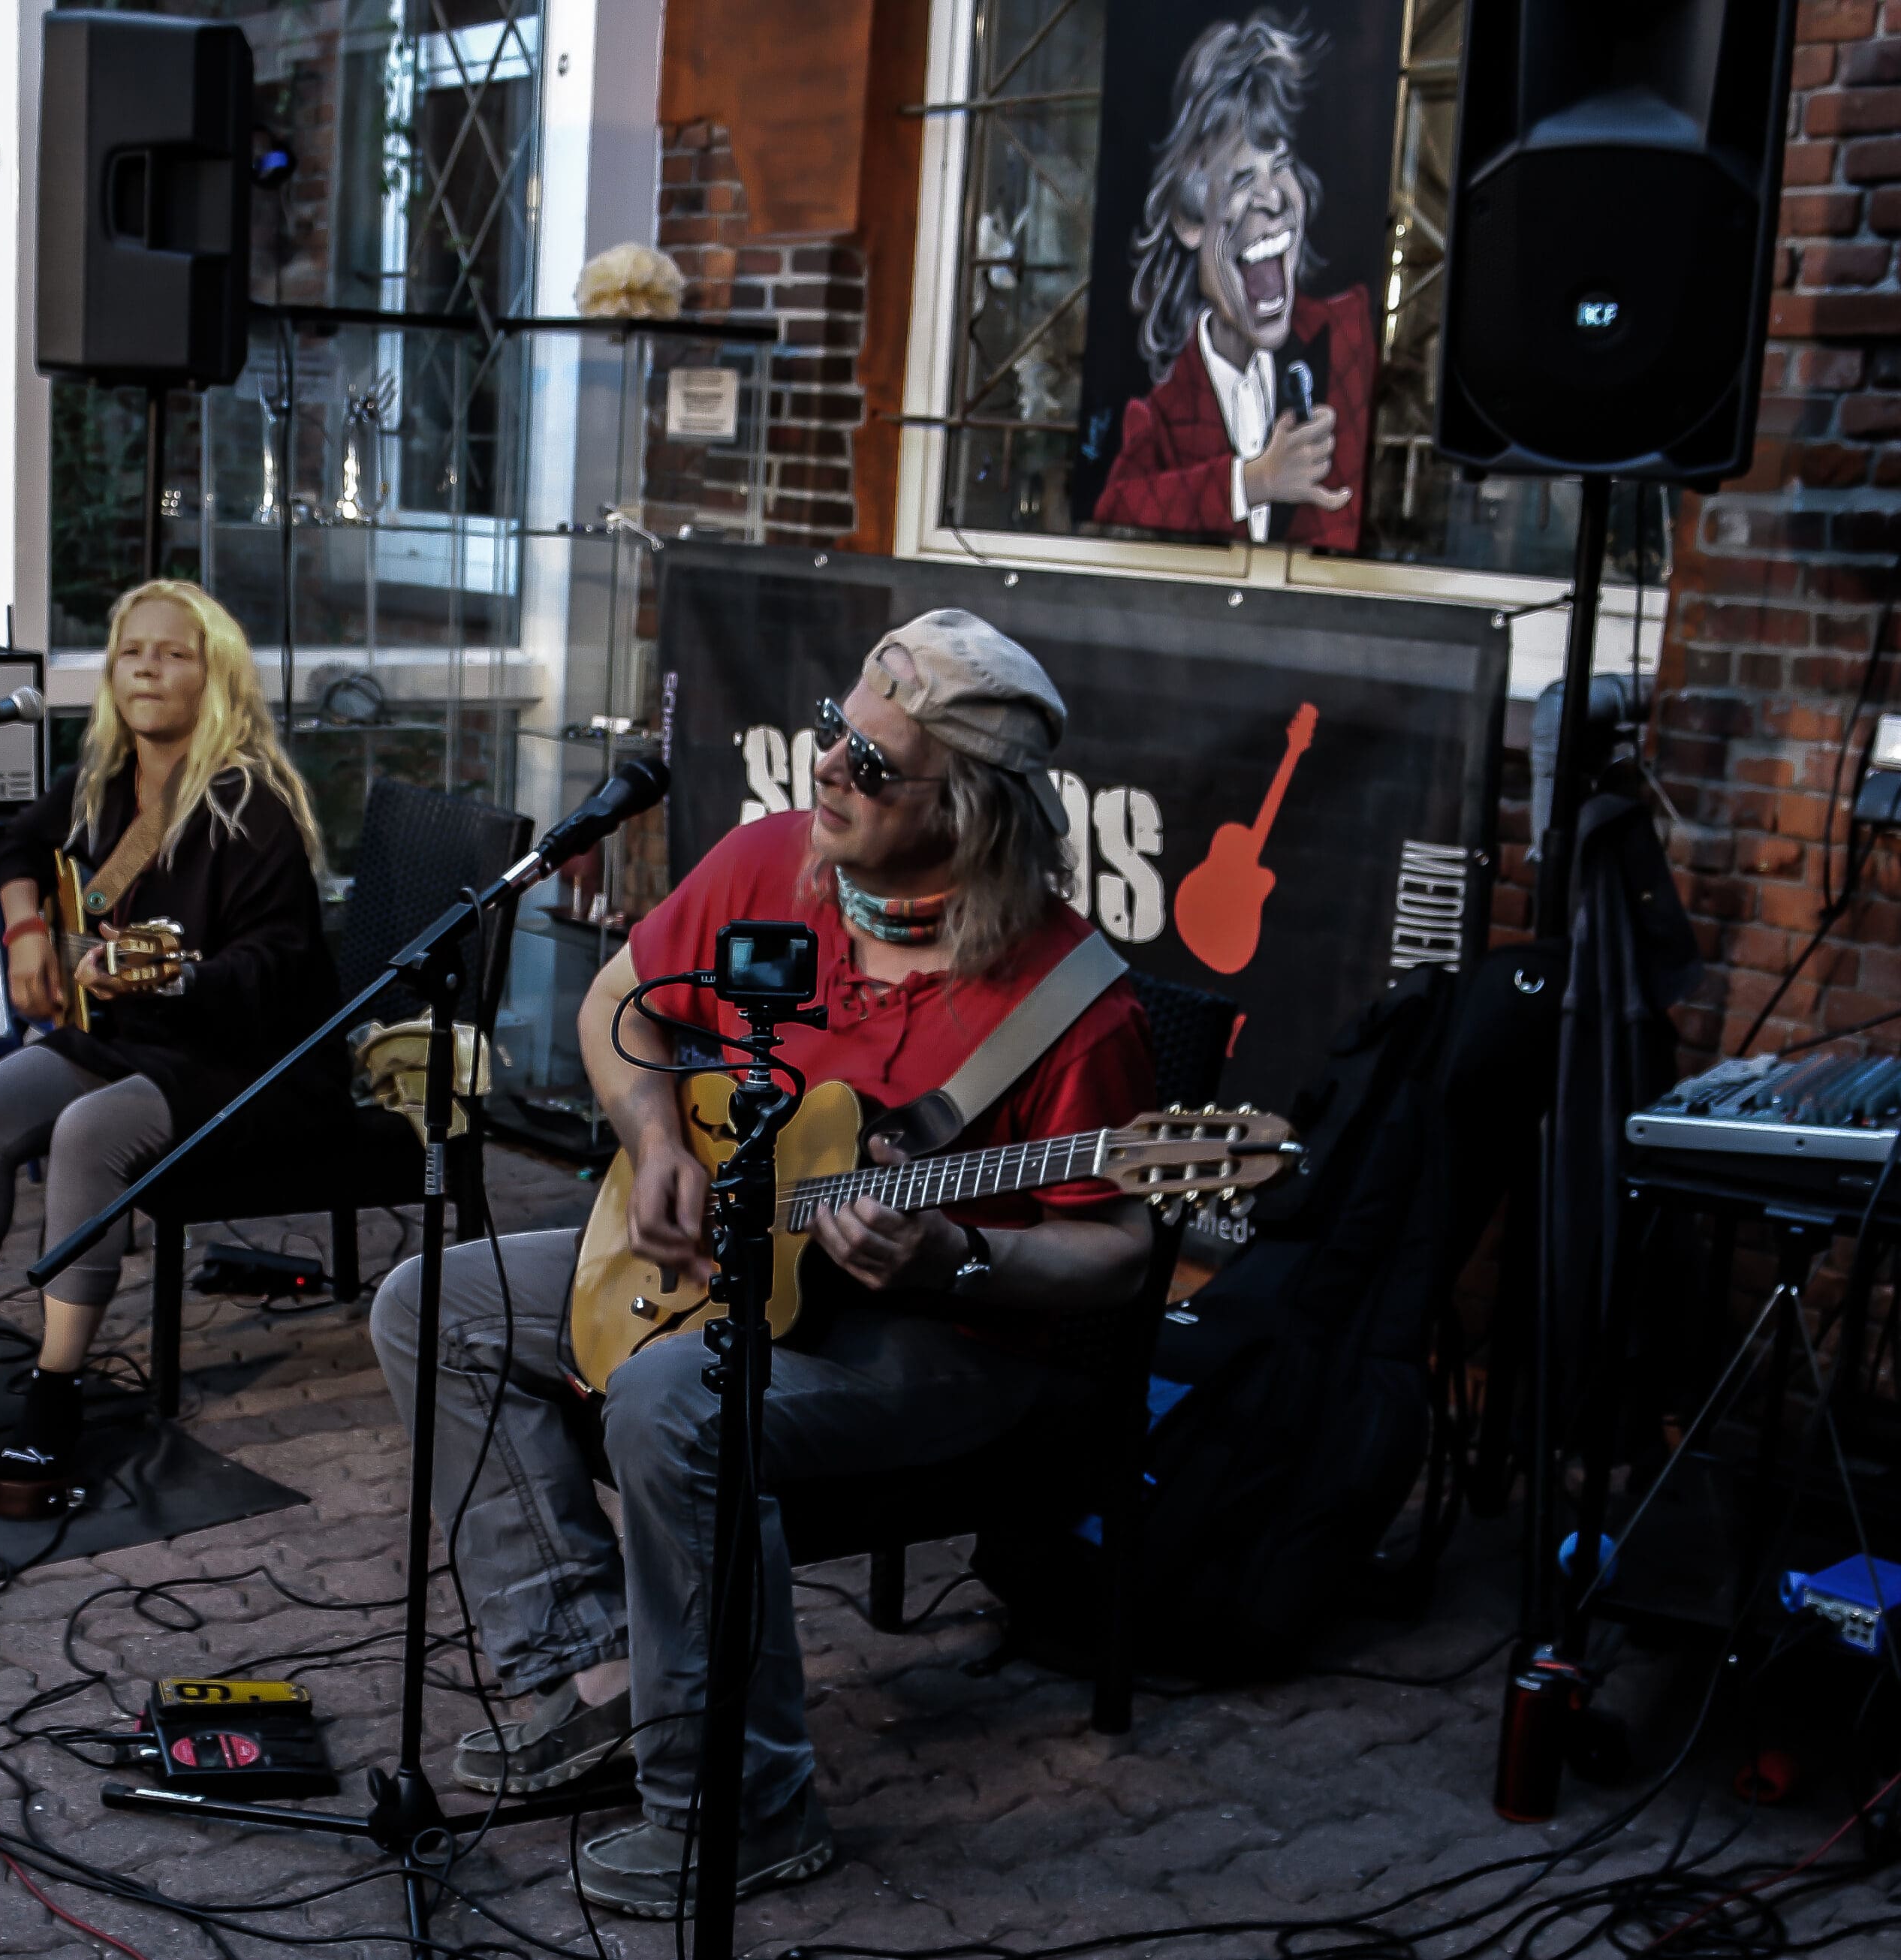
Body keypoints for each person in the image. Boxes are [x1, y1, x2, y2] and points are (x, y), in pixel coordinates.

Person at [370, 611, 1158, 1916]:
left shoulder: (1069, 1003)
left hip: (955, 1346)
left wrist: (957, 1255)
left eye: (874, 766)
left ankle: (747, 1802)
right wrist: (656, 1132)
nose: (831, 771)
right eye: (835, 733)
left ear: (969, 815)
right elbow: (618, 996)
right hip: (741, 1259)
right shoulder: (771, 861)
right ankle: (605, 1680)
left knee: (674, 1399)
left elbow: (1121, 1253)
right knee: (433, 1307)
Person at [0, 580, 340, 1516]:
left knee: (87, 1134)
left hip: (247, 1062)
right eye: (133, 650)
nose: (148, 664)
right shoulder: (104, 780)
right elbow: (17, 847)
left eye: (175, 652)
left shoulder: (249, 805)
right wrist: (28, 933)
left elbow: (275, 970)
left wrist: (167, 976)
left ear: (214, 675)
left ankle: (58, 1393)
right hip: (136, 1040)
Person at [1092, 12, 1370, 550]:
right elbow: (1112, 504)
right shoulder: (1158, 411)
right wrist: (1256, 480)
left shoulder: (1347, 335)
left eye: (1281, 166)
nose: (1272, 198)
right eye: (1243, 177)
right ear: (1190, 220)